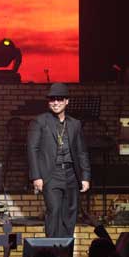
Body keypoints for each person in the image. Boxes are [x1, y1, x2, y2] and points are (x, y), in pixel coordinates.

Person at [27, 82, 91, 238]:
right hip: (51, 174)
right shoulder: (40, 121)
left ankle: (65, 251)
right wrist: (36, 176)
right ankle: (52, 250)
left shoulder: (75, 124)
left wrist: (85, 176)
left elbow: (82, 152)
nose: (55, 102)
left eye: (59, 99)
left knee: (70, 214)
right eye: (52, 99)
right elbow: (32, 149)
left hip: (71, 174)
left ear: (67, 101)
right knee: (54, 210)